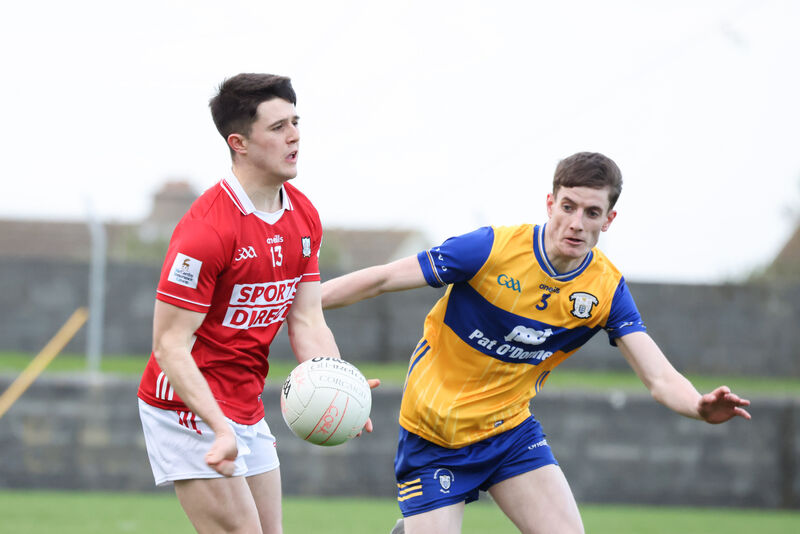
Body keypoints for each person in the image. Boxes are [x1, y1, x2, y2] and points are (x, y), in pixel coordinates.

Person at [320, 152, 751, 534]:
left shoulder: (605, 290)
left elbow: (657, 375)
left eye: (592, 212)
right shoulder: (490, 249)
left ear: (609, 219)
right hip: (435, 434)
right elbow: (380, 279)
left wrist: (697, 405)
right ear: (550, 203)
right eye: (568, 207)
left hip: (509, 435)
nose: (577, 223)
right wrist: (298, 308)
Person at [136, 73, 377, 534]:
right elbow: (169, 346)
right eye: (278, 127)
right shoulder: (206, 230)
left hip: (246, 403)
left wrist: (337, 382)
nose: (295, 136)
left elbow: (306, 319)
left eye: (296, 121)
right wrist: (219, 428)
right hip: (187, 406)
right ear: (239, 142)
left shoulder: (303, 214)